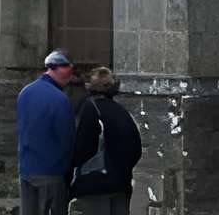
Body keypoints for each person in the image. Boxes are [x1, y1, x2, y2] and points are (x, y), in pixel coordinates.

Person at [68, 72, 142, 215]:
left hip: (95, 185)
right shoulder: (122, 112)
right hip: (121, 184)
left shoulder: (90, 109)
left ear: (89, 87)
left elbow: (82, 149)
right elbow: (136, 150)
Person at [14, 52, 77, 215]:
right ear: (56, 70)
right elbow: (66, 141)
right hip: (52, 171)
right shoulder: (60, 100)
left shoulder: (25, 93)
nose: (69, 78)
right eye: (67, 72)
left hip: (27, 168)